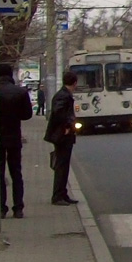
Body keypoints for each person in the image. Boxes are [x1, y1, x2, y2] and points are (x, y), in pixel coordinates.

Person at [0, 63, 34, 218]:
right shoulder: (20, 92)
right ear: (10, 75)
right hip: (14, 136)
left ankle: (1, 207)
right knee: (16, 172)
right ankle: (18, 207)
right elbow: (27, 115)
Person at [46, 71, 80, 206]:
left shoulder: (64, 95)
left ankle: (63, 193)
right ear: (75, 83)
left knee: (64, 166)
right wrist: (67, 126)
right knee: (61, 165)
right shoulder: (63, 96)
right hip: (62, 135)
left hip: (63, 134)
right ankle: (58, 195)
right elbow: (59, 113)